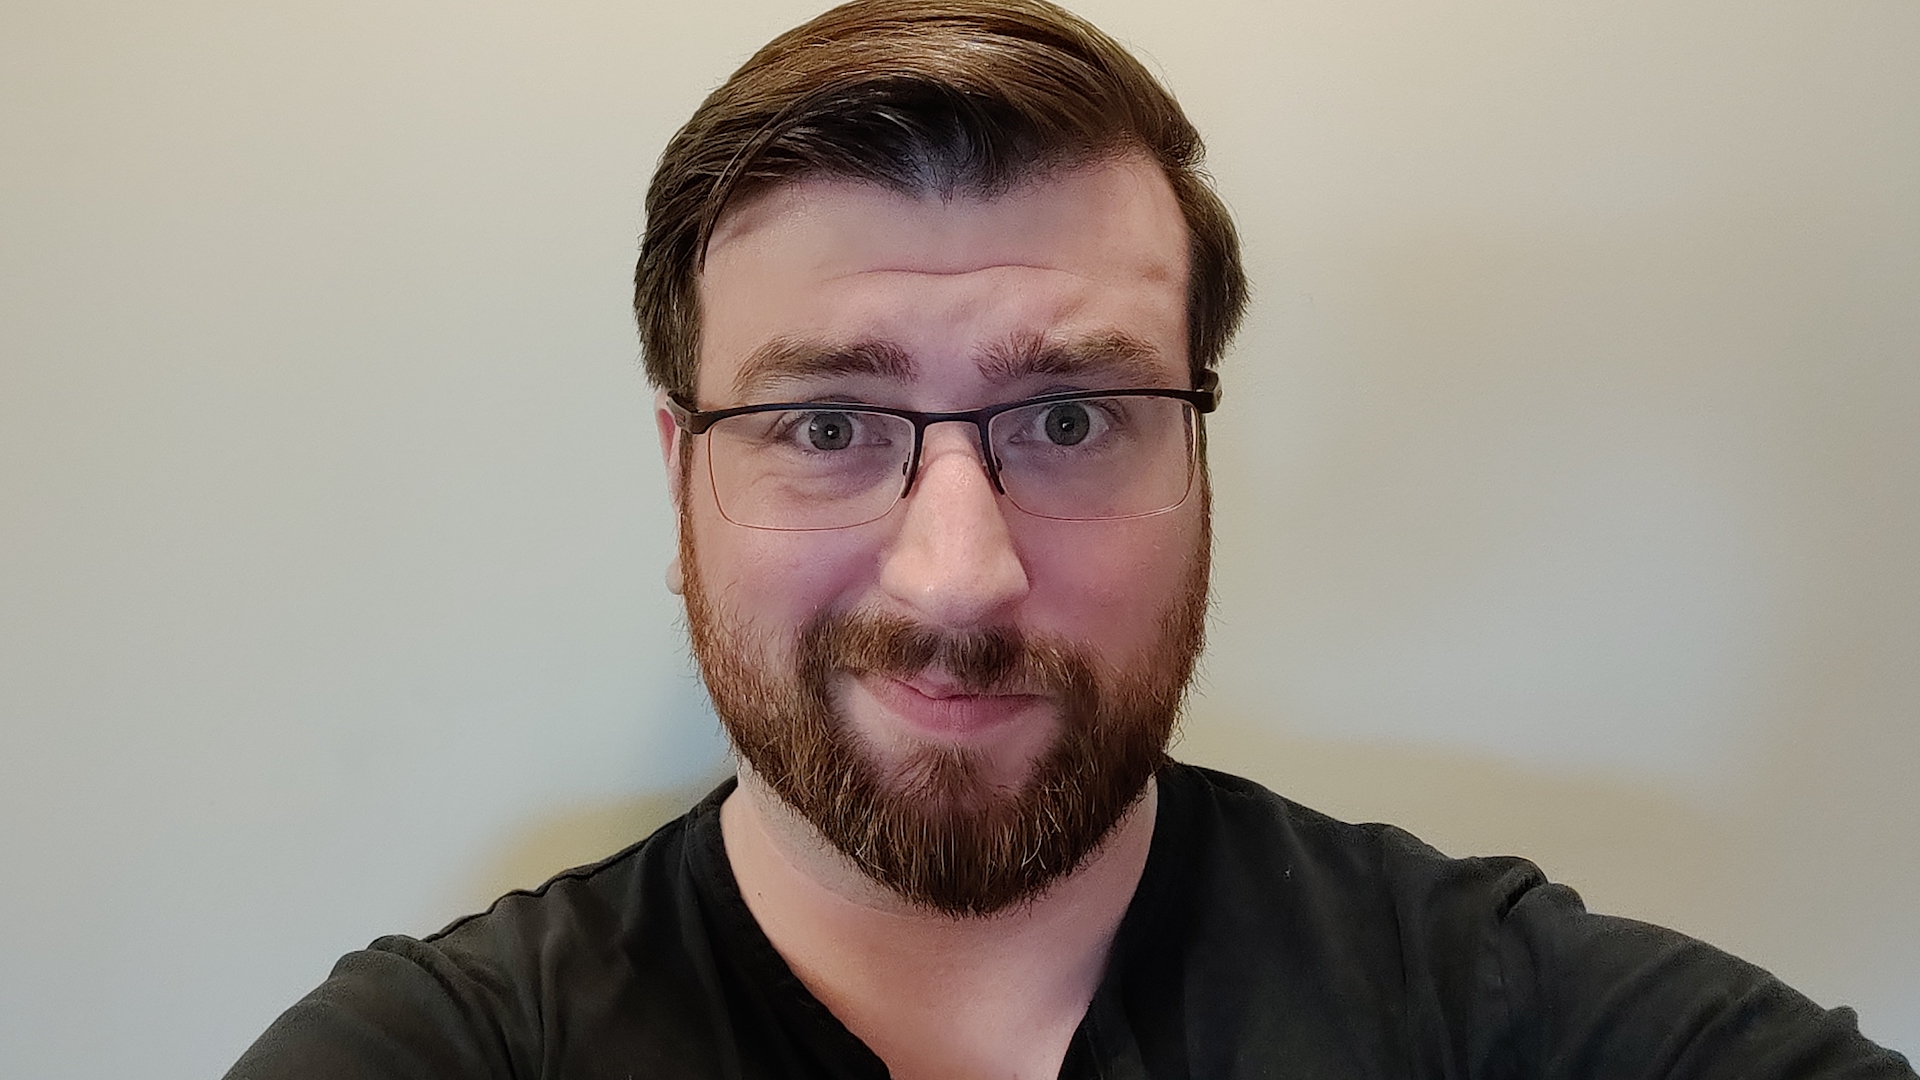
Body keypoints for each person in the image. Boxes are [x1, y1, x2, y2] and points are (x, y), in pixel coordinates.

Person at [225, 2, 1915, 1077]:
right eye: (826, 426)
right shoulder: (443, 1053)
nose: (958, 578)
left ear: (1199, 451)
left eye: (1068, 419)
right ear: (683, 485)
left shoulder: (1488, 1013)